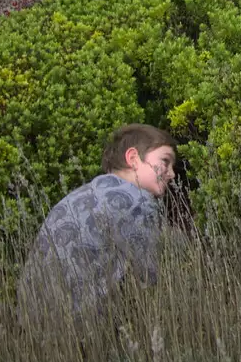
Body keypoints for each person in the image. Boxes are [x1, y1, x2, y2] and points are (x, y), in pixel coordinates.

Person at [18, 123, 179, 317]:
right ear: (133, 158)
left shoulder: (77, 196)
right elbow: (152, 276)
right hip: (84, 328)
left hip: (33, 322)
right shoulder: (137, 201)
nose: (171, 173)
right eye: (165, 161)